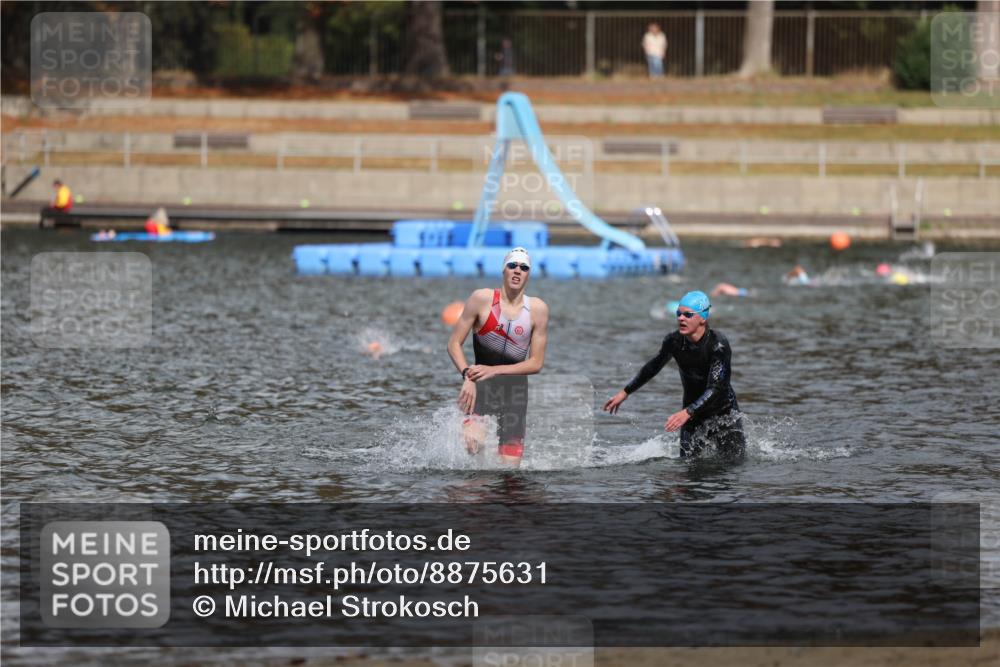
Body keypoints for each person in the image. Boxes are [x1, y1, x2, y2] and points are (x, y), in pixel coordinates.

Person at [603, 290, 746, 461]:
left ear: (703, 318)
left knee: (732, 466)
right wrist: (625, 392)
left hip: (723, 415)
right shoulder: (674, 341)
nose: (680, 318)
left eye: (687, 314)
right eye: (678, 313)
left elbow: (717, 388)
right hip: (692, 415)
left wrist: (688, 412)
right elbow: (653, 366)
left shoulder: (718, 345)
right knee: (686, 468)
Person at [447, 247, 550, 466]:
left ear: (528, 274)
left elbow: (536, 363)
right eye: (512, 265)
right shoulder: (481, 299)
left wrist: (494, 369)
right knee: (472, 445)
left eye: (523, 267)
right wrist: (467, 375)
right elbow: (454, 343)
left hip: (515, 394)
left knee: (509, 474)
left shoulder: (538, 310)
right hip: (480, 388)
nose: (517, 271)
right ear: (503, 270)